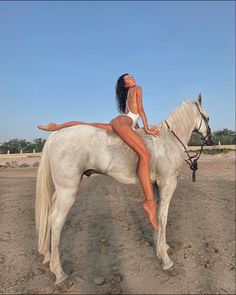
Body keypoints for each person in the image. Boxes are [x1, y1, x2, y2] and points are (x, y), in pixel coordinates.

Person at [37, 73, 160, 231]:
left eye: (132, 77)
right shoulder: (137, 89)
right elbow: (141, 110)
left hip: (119, 122)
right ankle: (149, 202)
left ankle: (56, 127)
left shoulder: (129, 94)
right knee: (145, 155)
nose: (132, 79)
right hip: (123, 123)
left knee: (87, 125)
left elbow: (134, 124)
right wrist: (148, 128)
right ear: (125, 85)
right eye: (128, 78)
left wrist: (141, 129)